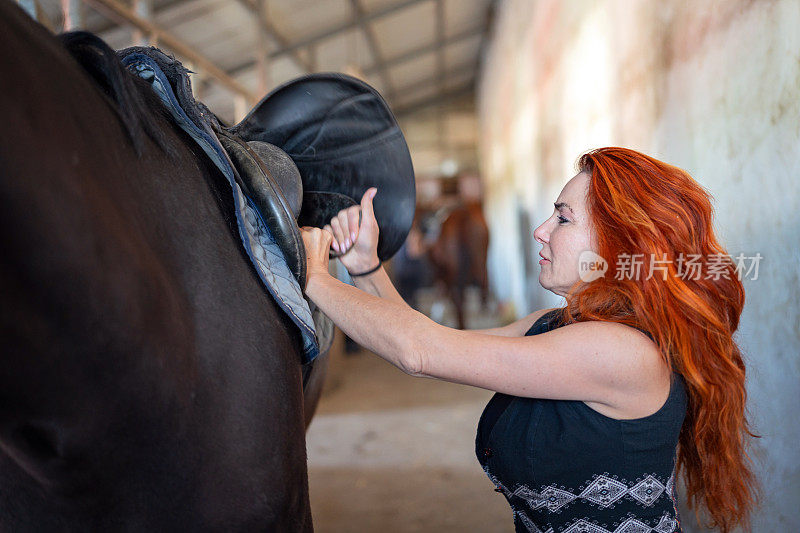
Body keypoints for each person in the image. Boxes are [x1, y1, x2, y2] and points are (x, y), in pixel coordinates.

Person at [300, 147, 758, 533]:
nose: (540, 230)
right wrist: (364, 267)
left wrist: (314, 275)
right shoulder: (554, 325)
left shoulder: (622, 352)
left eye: (562, 218)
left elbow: (419, 351)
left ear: (621, 244)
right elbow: (433, 342)